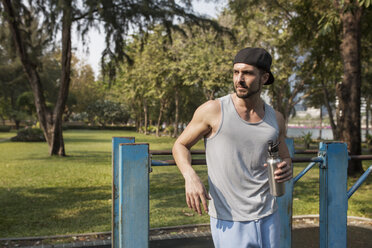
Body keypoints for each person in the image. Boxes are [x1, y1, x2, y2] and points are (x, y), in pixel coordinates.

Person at [172, 47, 292, 248]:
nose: (239, 79)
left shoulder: (276, 118)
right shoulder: (213, 110)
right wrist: (190, 176)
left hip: (268, 214)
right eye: (236, 72)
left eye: (247, 73)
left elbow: (284, 156)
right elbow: (180, 145)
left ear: (264, 78)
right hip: (229, 218)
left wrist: (286, 166)